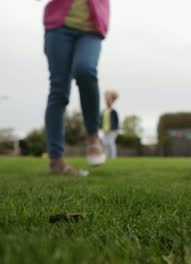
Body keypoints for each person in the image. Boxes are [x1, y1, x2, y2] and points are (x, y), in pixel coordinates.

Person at [43, 0, 110, 176]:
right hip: (58, 27)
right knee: (58, 91)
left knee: (85, 70)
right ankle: (56, 161)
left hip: (91, 28)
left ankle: (93, 137)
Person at [100, 90, 120, 159]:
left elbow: (116, 122)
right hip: (105, 130)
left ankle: (113, 157)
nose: (107, 102)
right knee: (105, 143)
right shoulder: (104, 111)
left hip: (112, 131)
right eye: (106, 100)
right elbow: (101, 120)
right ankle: (105, 157)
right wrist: (100, 127)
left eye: (109, 100)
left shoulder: (114, 112)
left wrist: (114, 129)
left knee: (111, 143)